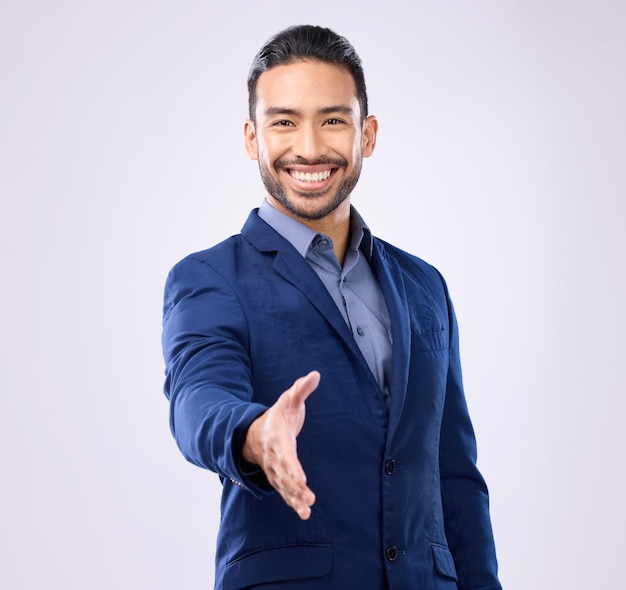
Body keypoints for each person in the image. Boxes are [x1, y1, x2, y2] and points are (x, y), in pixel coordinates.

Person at [161, 24, 501, 590]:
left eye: (333, 120)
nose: (311, 148)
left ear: (367, 134)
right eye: (284, 122)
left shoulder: (425, 287)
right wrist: (254, 433)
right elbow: (198, 399)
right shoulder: (210, 278)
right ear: (252, 138)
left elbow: (455, 476)